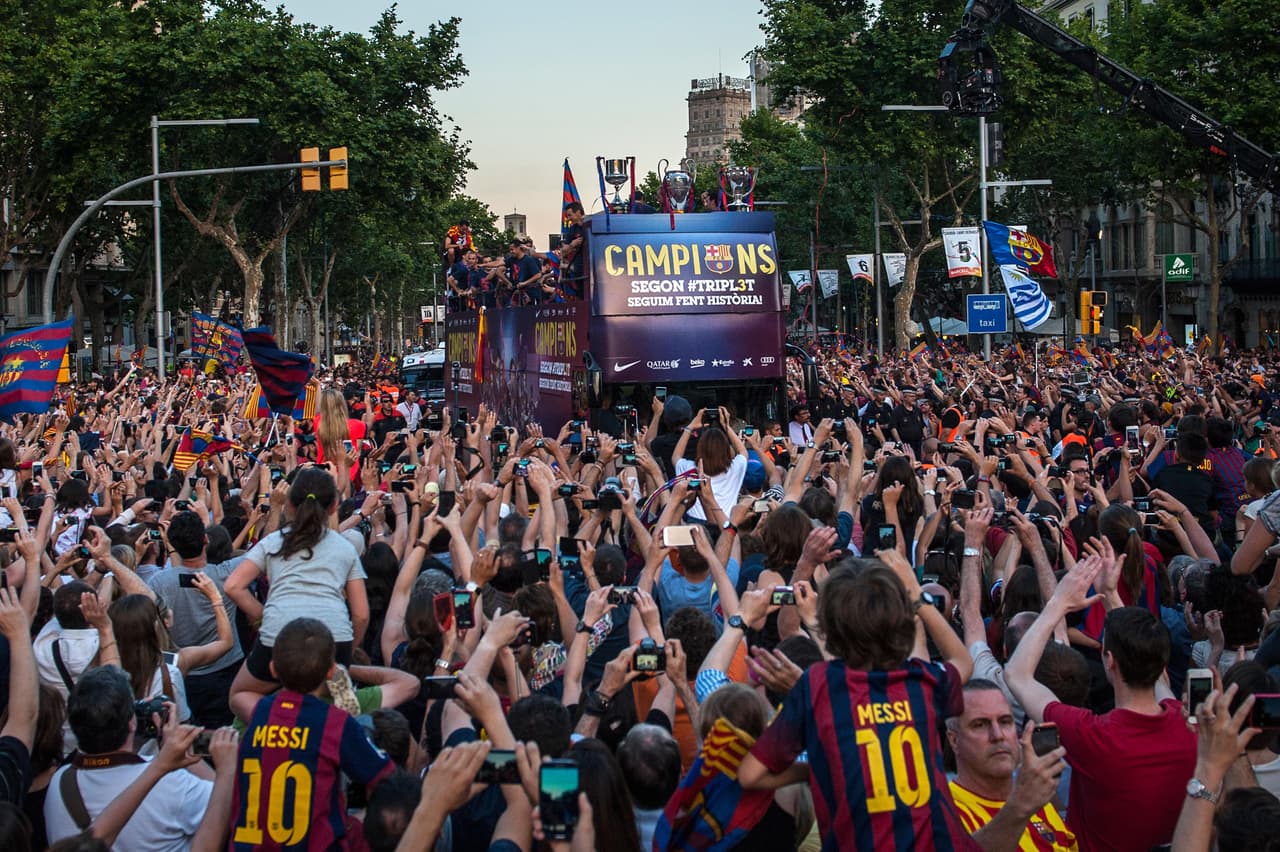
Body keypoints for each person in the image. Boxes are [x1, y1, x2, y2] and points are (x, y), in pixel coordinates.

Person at [738, 556, 976, 851]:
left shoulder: (819, 685)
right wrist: (918, 597)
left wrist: (821, 767)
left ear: (831, 625)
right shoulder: (920, 681)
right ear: (900, 619)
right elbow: (963, 662)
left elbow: (750, 774)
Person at [1004, 554, 1196, 852]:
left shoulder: (1093, 736)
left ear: (1109, 661)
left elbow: (1016, 674)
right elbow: (1157, 677)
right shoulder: (1186, 723)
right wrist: (1110, 595)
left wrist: (1058, 604)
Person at [229, 618, 393, 851]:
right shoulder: (334, 722)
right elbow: (385, 776)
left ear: (273, 668)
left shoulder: (261, 712)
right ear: (331, 672)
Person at [224, 467, 369, 721]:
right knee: (343, 707)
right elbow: (361, 615)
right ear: (334, 507)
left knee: (239, 694)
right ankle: (334, 727)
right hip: (334, 639)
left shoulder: (273, 542)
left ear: (289, 504)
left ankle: (282, 724)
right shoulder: (344, 548)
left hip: (279, 634)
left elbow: (233, 586)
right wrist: (348, 647)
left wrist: (264, 615)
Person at [44, 667, 213, 850]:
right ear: (132, 722)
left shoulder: (59, 781)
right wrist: (178, 747)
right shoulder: (172, 783)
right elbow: (225, 800)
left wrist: (136, 741)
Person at [946, 679, 1075, 851]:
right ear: (954, 740)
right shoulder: (943, 812)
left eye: (1005, 721)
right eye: (980, 725)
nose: (998, 735)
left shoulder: (1039, 804)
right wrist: (1020, 807)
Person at [149, 511, 246, 728]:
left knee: (188, 732)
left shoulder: (158, 582)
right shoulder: (228, 573)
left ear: (173, 544)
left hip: (184, 672)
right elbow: (265, 551)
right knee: (224, 732)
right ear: (205, 540)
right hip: (224, 669)